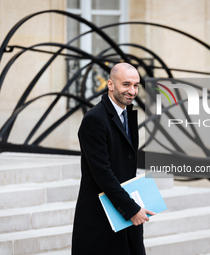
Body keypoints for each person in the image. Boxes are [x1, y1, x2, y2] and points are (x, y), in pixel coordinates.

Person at [71, 63, 155, 255]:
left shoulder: (127, 114)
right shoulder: (94, 119)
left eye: (136, 85)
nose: (132, 91)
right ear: (110, 84)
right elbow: (102, 172)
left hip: (123, 211)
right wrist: (131, 209)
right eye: (126, 84)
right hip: (101, 217)